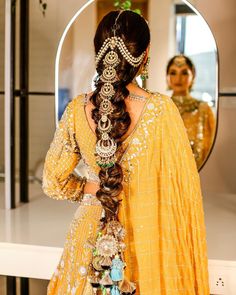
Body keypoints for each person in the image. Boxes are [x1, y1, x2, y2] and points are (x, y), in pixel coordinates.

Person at [43, 11, 209, 295]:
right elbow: (182, 194)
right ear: (145, 56)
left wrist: (93, 187)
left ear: (99, 54)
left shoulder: (75, 110)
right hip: (145, 237)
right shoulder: (161, 111)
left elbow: (52, 182)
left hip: (89, 237)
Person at [166, 55, 215, 169]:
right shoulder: (161, 107)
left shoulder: (203, 109)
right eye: (173, 73)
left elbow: (210, 147)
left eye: (184, 73)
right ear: (167, 77)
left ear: (193, 76)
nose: (178, 79)